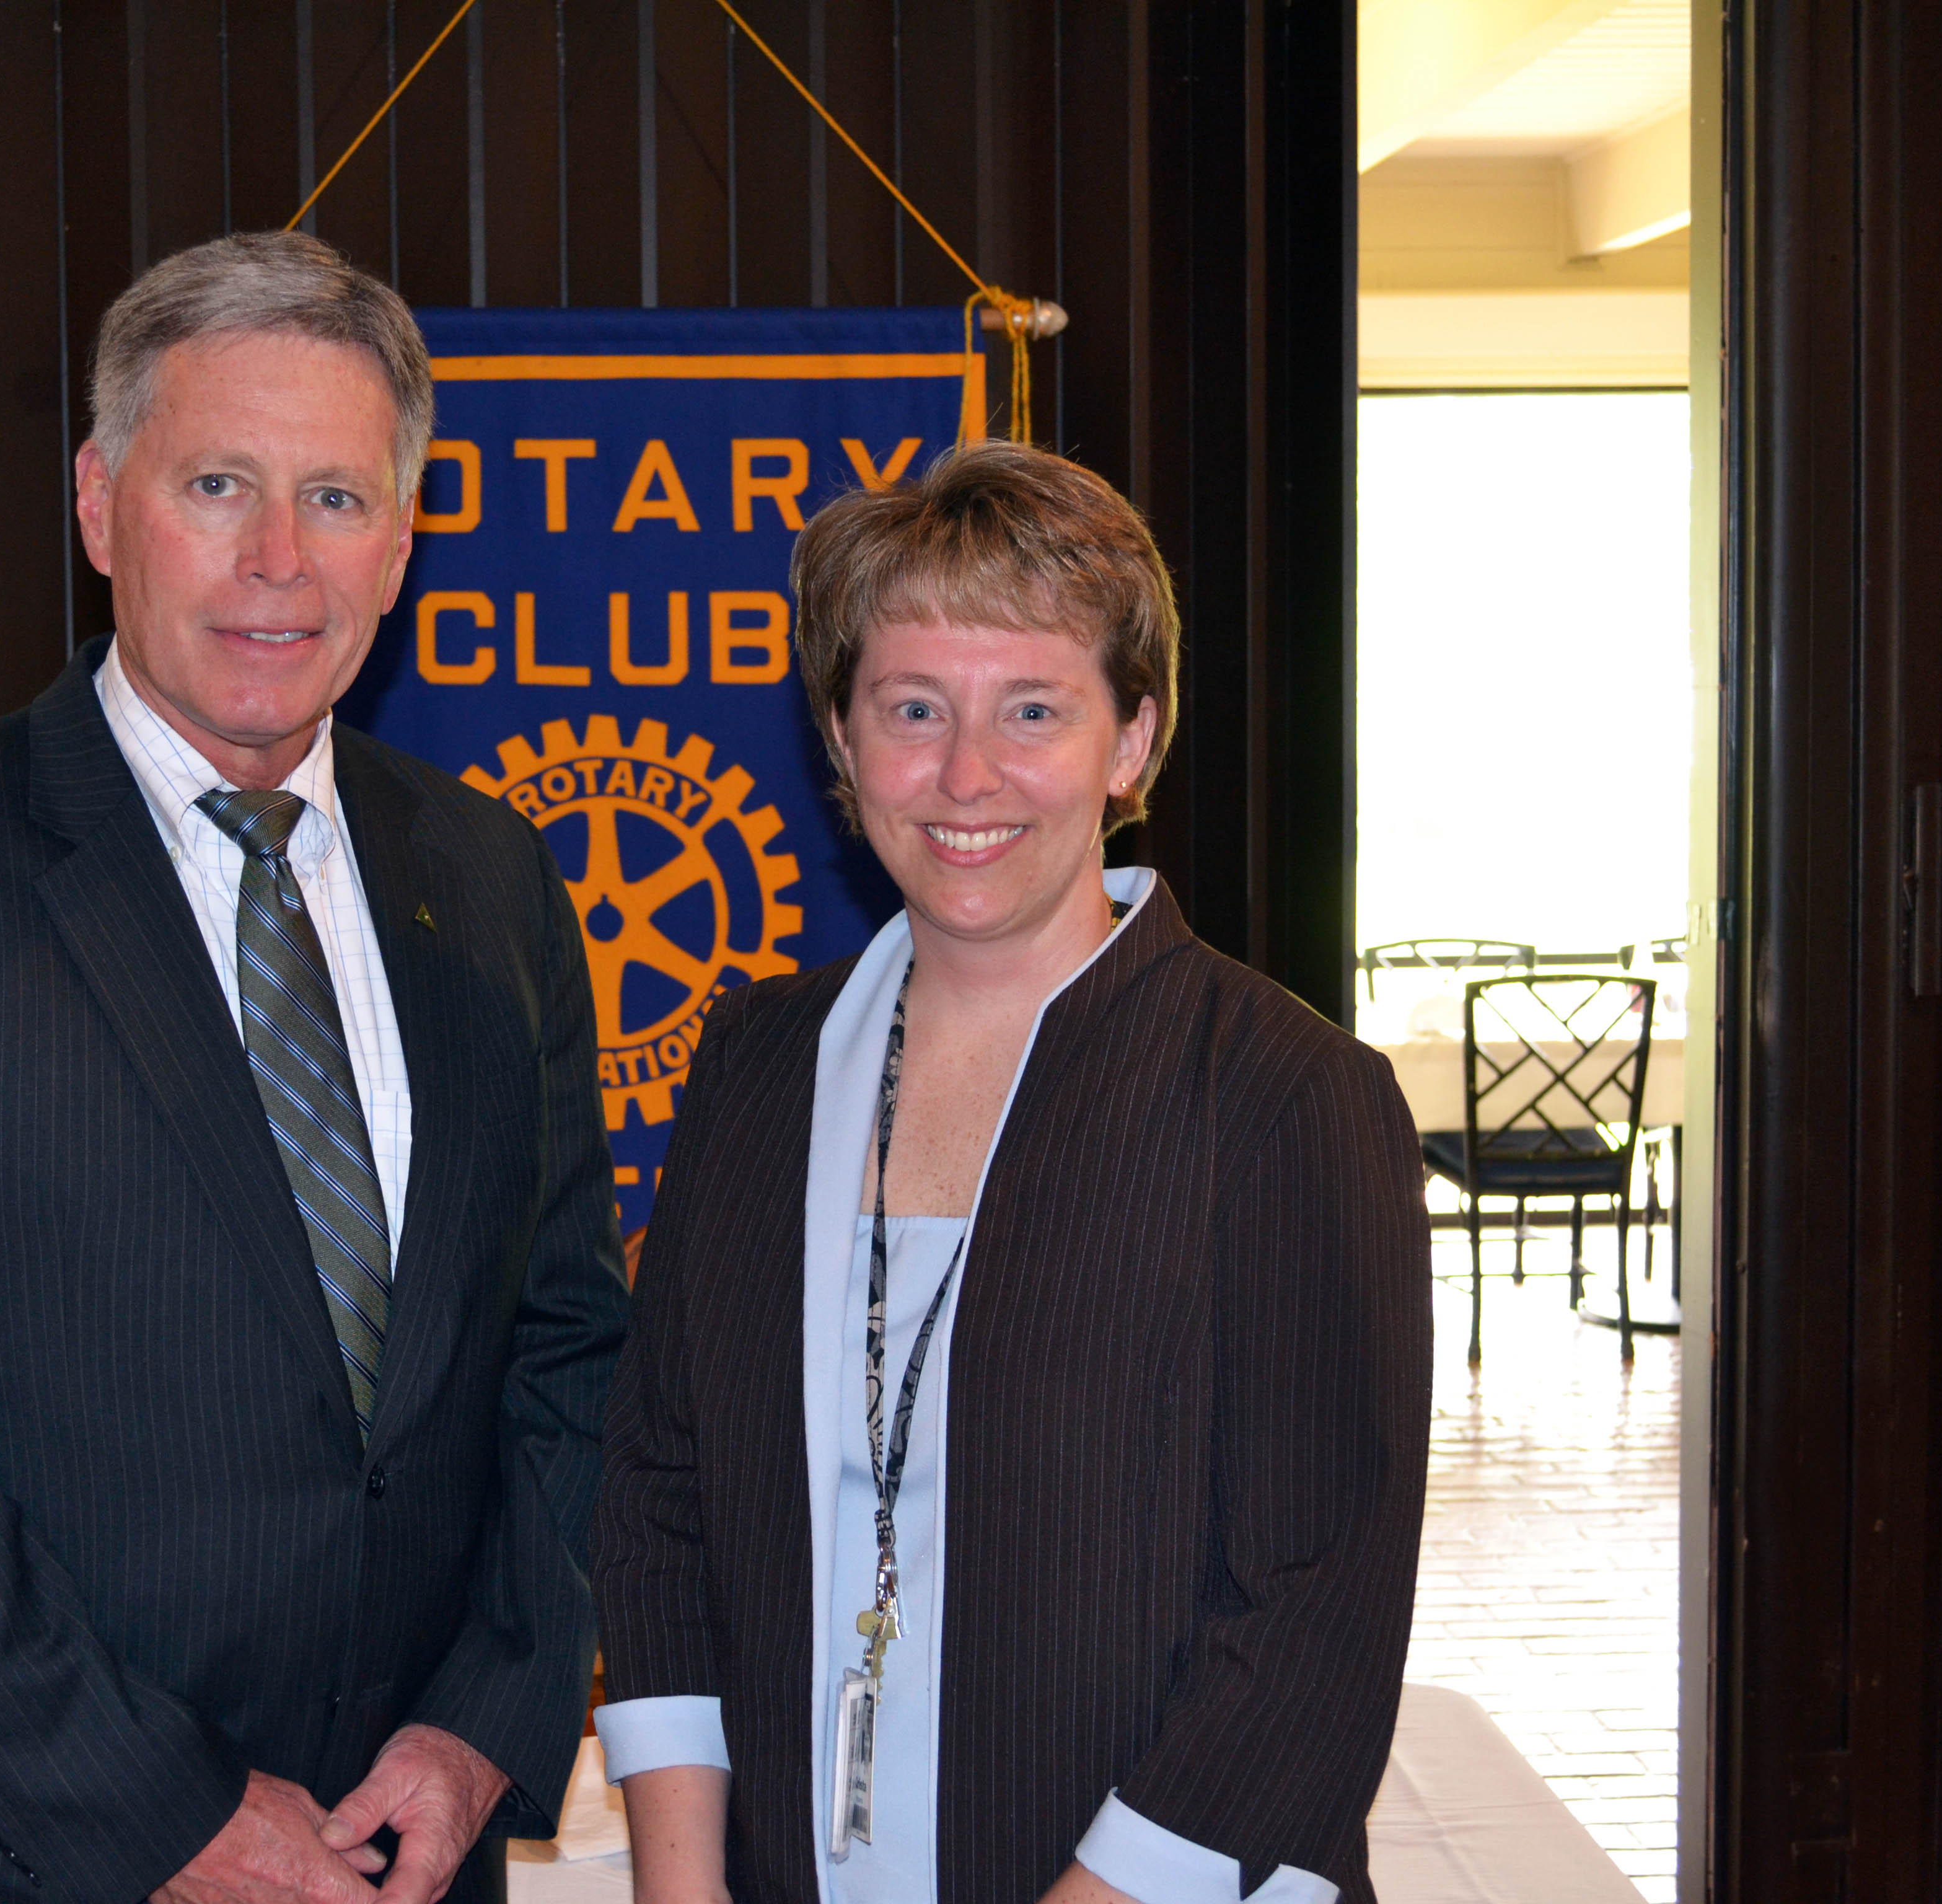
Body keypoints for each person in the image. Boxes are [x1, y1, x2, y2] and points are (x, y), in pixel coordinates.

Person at [0, 231, 628, 1904]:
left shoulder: (492, 882)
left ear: (406, 539)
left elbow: (566, 1343)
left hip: (415, 1853)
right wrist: (164, 1809)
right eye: (217, 484)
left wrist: (487, 1717)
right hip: (37, 1855)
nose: (279, 560)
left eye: (337, 498)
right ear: (99, 503)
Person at [591, 442, 1430, 1904]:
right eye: (913, 709)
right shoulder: (754, 1064)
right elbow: (661, 1492)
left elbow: (1309, 1626)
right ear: (844, 745)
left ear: (1132, 741)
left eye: (1031, 710)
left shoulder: (1288, 1098)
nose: (966, 774)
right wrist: (683, 1889)